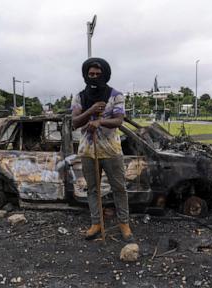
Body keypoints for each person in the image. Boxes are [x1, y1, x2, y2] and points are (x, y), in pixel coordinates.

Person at [71, 57, 133, 241]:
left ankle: (124, 224)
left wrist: (100, 121)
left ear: (105, 74)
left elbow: (118, 121)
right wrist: (90, 111)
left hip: (111, 151)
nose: (95, 76)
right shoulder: (79, 97)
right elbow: (75, 122)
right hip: (88, 151)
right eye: (91, 74)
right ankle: (96, 223)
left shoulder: (116, 96)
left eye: (98, 74)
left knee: (119, 188)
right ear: (86, 75)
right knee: (92, 189)